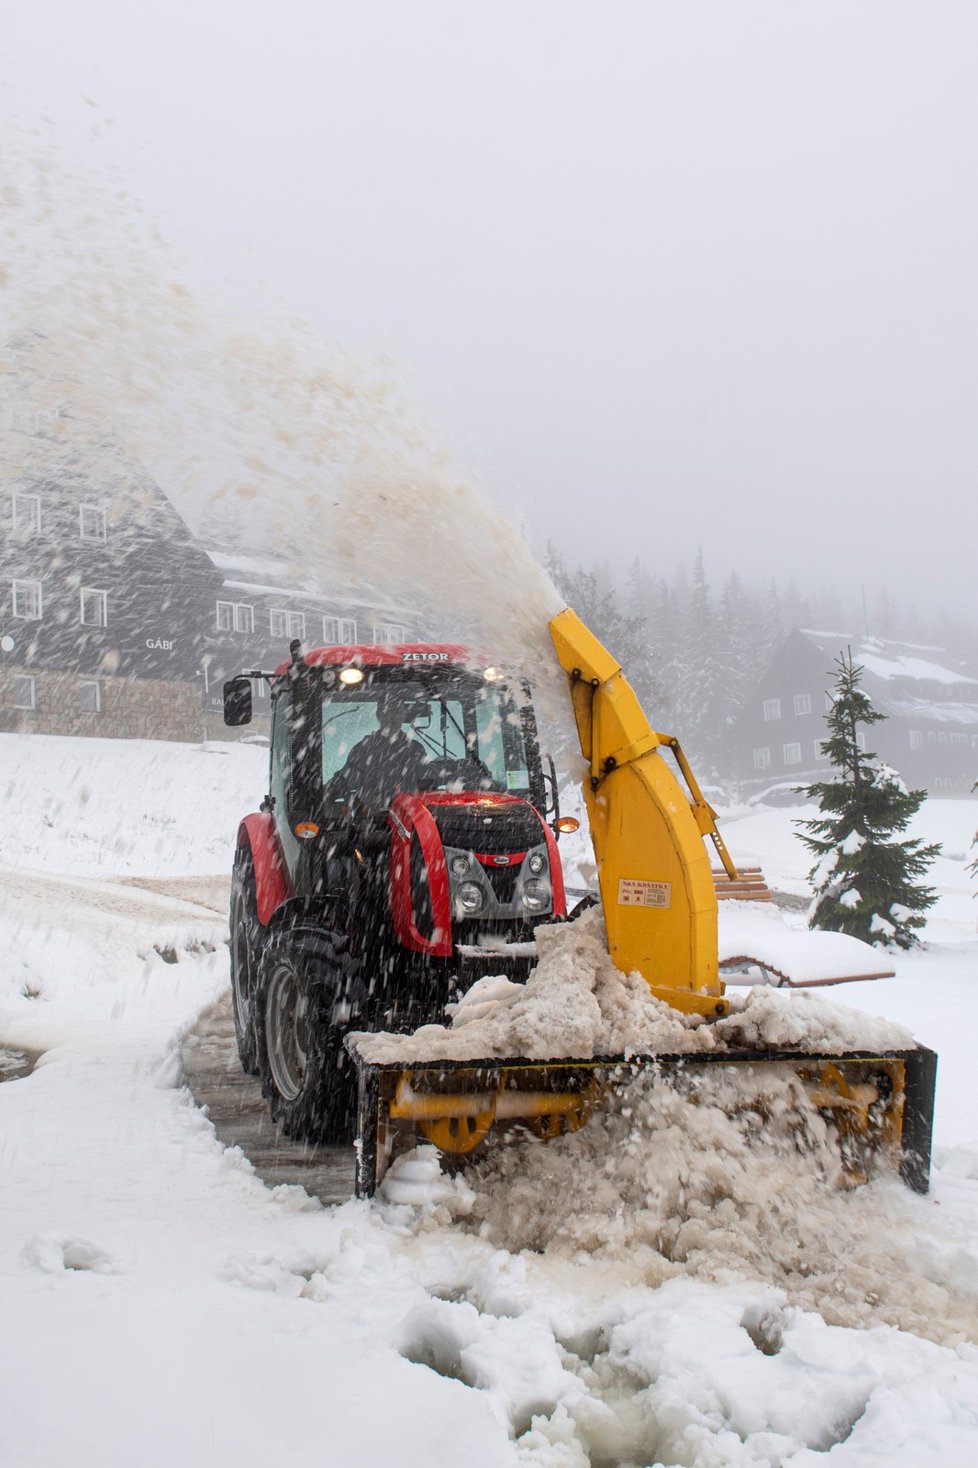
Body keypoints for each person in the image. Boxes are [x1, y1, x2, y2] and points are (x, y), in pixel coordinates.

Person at [330, 696, 430, 814]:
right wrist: (321, 794)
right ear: (379, 715)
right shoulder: (362, 751)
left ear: (404, 715)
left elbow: (427, 786)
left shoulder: (415, 750)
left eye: (398, 712)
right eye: (388, 712)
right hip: (368, 823)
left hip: (410, 822)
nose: (393, 717)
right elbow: (343, 782)